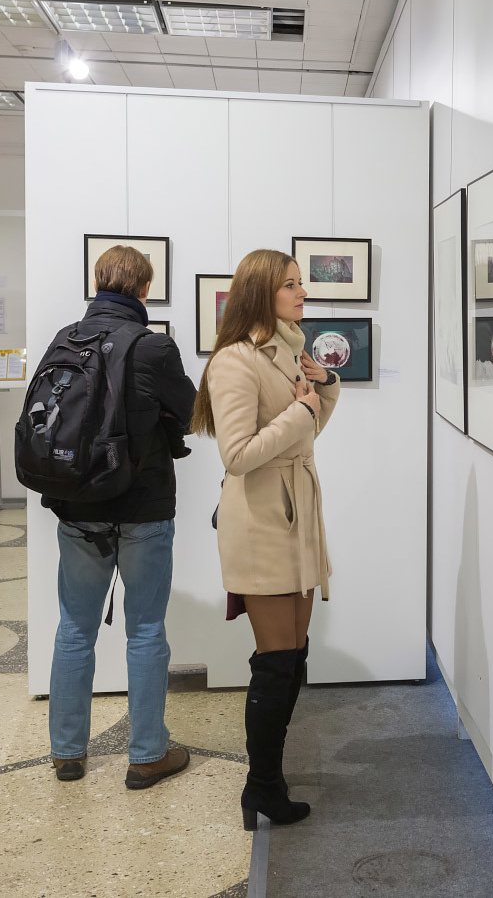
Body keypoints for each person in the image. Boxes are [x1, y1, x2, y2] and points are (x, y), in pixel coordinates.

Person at [190, 248, 340, 830]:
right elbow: (237, 454)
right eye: (291, 285)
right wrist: (301, 412)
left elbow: (306, 431)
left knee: (294, 656)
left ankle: (269, 781)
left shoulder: (290, 350)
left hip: (295, 513)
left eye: (301, 284)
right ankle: (261, 788)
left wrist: (324, 387)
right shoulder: (236, 359)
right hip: (260, 519)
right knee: (277, 662)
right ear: (261, 292)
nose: (303, 293)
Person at [45, 245, 197, 789]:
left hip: (78, 507)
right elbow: (192, 411)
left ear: (97, 281)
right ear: (145, 288)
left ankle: (67, 754)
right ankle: (147, 755)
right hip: (143, 506)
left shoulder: (65, 339)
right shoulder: (154, 347)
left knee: (74, 628)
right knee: (146, 629)